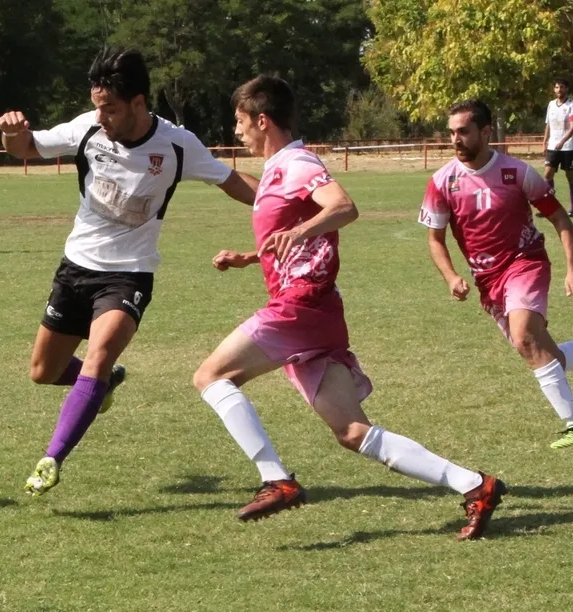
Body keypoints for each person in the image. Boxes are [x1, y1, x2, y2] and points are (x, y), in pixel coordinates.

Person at [192, 75, 507, 540]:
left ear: (263, 120)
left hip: (302, 307)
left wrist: (298, 234)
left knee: (210, 376)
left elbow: (343, 207)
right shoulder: (278, 171)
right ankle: (475, 485)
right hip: (316, 314)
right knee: (354, 433)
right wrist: (251, 256)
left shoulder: (295, 163)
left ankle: (275, 479)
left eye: (240, 122)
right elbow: (291, 231)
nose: (237, 132)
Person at [0, 47, 259, 496]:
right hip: (75, 268)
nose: (101, 117)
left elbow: (233, 183)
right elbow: (24, 149)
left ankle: (51, 458)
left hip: (129, 275)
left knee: (97, 358)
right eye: (98, 105)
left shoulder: (178, 144)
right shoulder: (86, 127)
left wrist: (290, 207)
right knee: (42, 371)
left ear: (139, 103)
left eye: (110, 108)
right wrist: (10, 133)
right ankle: (102, 385)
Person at [421, 99, 573, 450]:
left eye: (463, 131)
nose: (455, 139)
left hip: (525, 262)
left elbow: (559, 218)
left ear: (485, 131)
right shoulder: (441, 182)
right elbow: (435, 239)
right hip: (488, 281)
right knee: (546, 356)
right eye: (451, 132)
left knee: (525, 339)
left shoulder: (516, 172)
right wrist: (450, 276)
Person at [542, 79, 573, 217]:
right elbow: (548, 125)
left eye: (562, 87)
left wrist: (563, 141)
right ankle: (550, 207)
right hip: (553, 146)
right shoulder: (551, 105)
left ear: (566, 89)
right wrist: (545, 141)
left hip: (569, 147)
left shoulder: (572, 105)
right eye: (557, 87)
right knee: (547, 175)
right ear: (554, 89)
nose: (559, 90)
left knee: (570, 176)